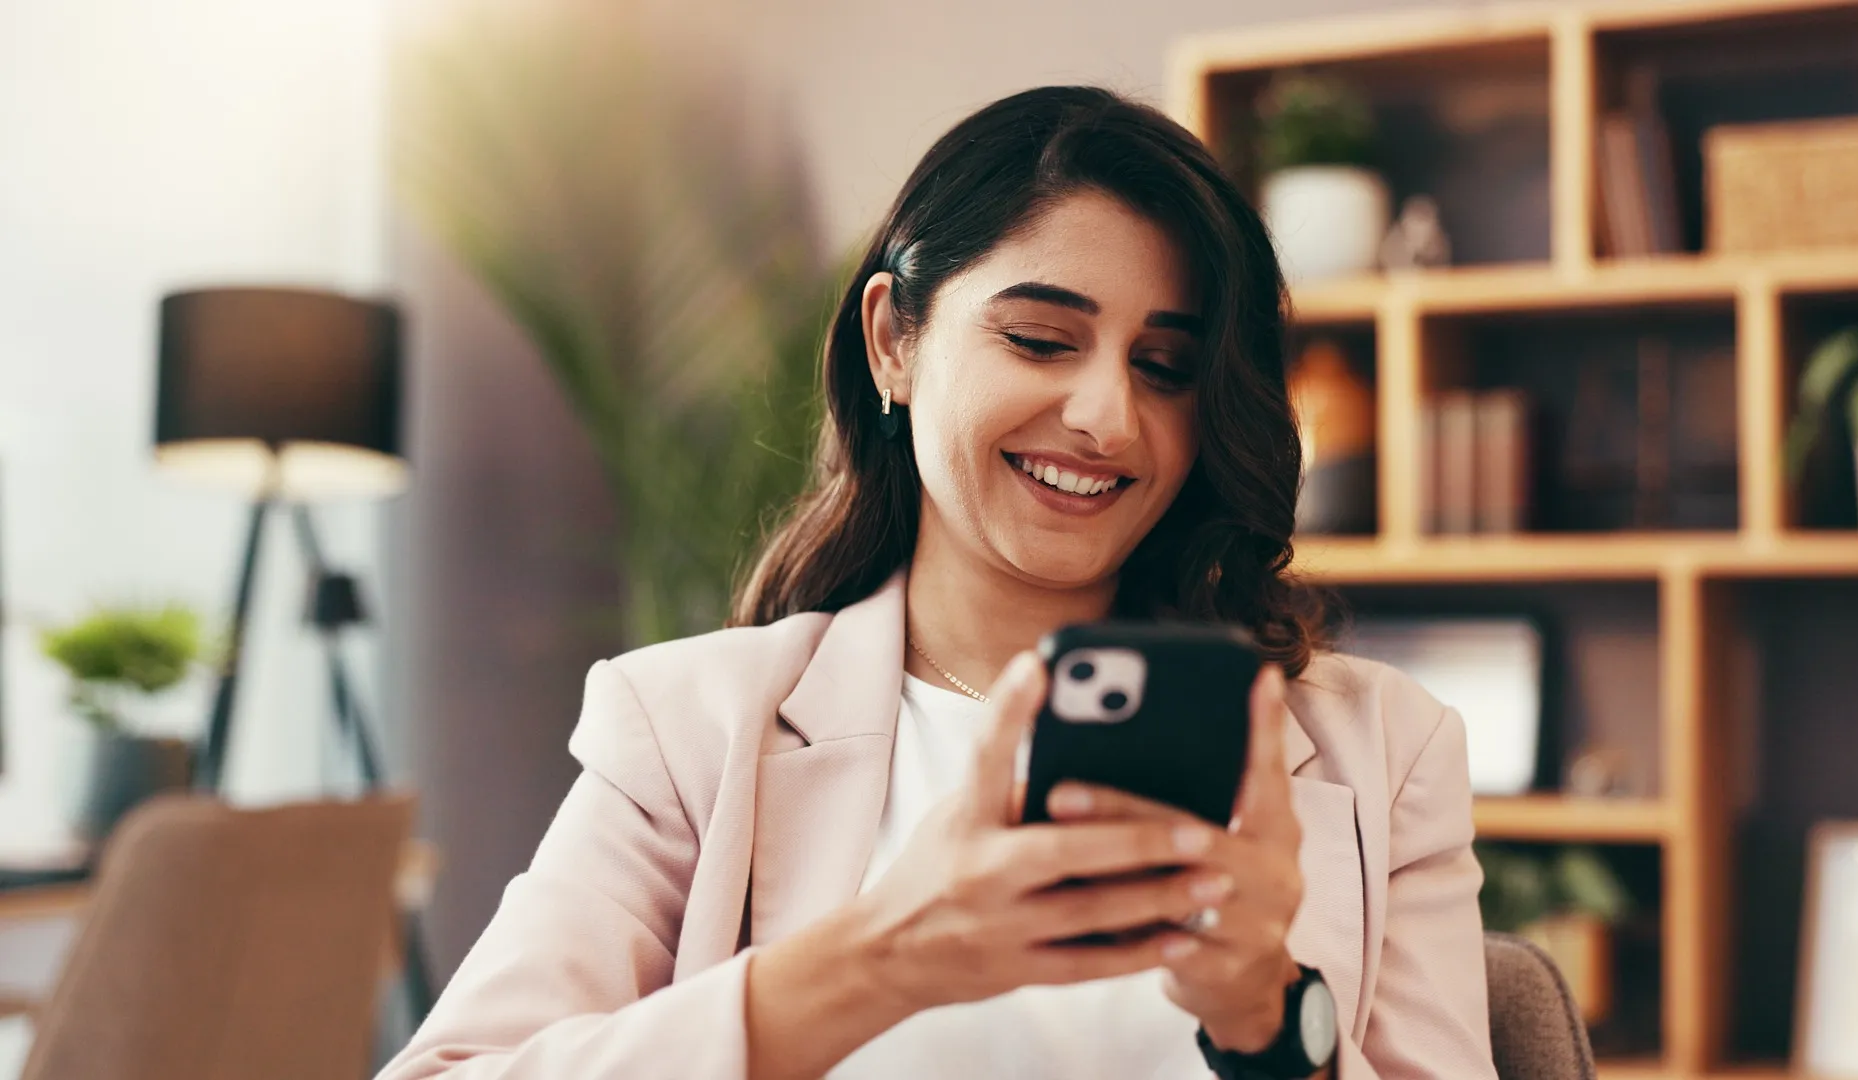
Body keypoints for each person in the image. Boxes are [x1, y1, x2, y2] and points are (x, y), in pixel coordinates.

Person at [377, 85, 1492, 1080]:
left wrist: (1270, 1027)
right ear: (890, 342)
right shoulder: (689, 730)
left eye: (1164, 366)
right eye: (1041, 338)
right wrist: (879, 959)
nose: (1106, 416)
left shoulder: (1383, 754)